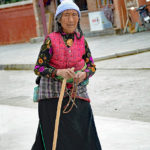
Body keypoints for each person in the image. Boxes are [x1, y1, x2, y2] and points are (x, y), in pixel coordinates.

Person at [31, 0, 102, 149]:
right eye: (66, 15)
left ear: (78, 18)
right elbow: (39, 68)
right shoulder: (51, 40)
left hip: (77, 92)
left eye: (74, 15)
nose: (70, 19)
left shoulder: (82, 40)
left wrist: (84, 74)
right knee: (55, 135)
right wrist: (58, 72)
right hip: (52, 95)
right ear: (59, 19)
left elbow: (92, 66)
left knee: (84, 129)